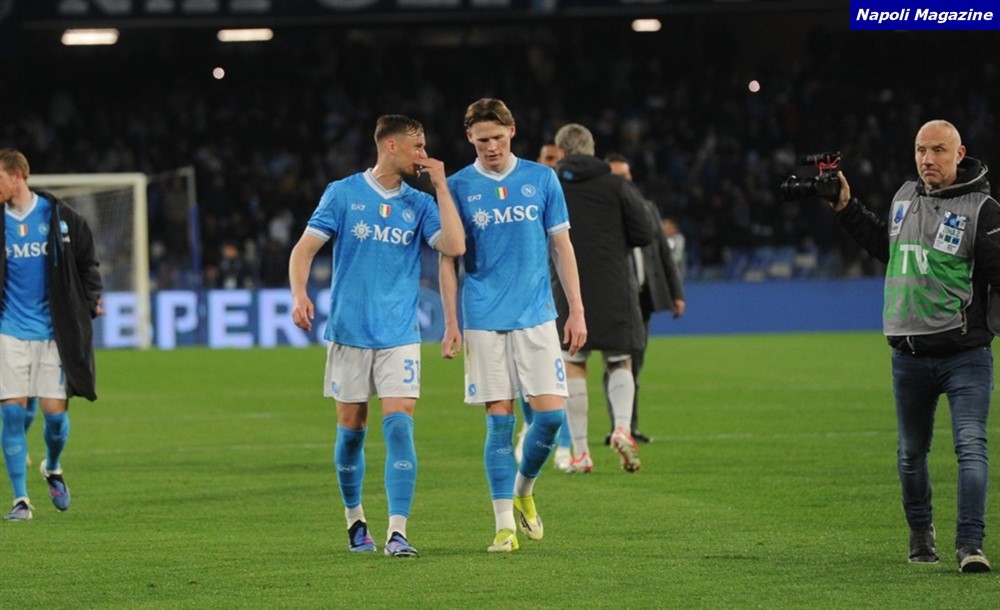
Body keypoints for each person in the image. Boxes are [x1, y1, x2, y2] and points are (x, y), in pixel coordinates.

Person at [828, 120, 999, 573]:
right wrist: (846, 207)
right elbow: (888, 249)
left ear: (959, 154)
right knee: (910, 454)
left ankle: (970, 545)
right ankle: (921, 535)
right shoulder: (904, 196)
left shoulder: (983, 210)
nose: (927, 159)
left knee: (971, 446)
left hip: (965, 355)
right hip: (909, 356)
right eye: (921, 150)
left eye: (938, 150)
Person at [289, 115, 464, 557]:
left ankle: (398, 532)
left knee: (400, 426)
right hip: (349, 333)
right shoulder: (343, 193)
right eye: (417, 147)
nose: (423, 155)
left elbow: (454, 247)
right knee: (352, 432)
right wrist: (299, 294)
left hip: (399, 334)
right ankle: (355, 520)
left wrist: (442, 188)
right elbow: (303, 250)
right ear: (390, 146)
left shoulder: (420, 203)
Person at [440, 98, 586, 552]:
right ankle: (503, 525)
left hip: (537, 315)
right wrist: (451, 321)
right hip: (484, 319)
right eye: (482, 140)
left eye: (498, 138)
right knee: (499, 423)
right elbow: (448, 259)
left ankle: (524, 489)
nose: (491, 147)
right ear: (470, 138)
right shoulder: (457, 186)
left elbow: (562, 246)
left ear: (512, 132)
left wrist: (577, 310)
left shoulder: (542, 179)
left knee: (551, 418)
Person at [1, 148, 103, 521]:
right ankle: (20, 501)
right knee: (12, 415)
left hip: (53, 333)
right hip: (9, 331)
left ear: (17, 176)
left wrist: (89, 302)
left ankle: (53, 467)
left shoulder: (61, 218)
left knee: (55, 419)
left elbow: (87, 263)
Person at [551, 126, 658, 474]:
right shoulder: (616, 184)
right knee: (619, 360)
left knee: (574, 364)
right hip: (614, 286)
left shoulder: (552, 185)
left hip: (568, 289)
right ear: (592, 149)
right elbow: (645, 232)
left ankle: (581, 453)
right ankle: (623, 428)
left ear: (561, 151)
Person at [601, 153, 686, 446]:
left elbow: (663, 253)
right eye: (615, 176)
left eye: (625, 176)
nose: (622, 181)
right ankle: (619, 426)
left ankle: (628, 426)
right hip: (612, 298)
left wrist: (677, 294)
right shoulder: (601, 212)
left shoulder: (646, 208)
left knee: (634, 364)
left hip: (643, 299)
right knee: (616, 361)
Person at [514, 141, 573, 473]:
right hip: (531, 297)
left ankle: (566, 446)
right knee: (525, 376)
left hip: (561, 294)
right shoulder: (528, 191)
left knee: (561, 378)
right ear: (539, 161)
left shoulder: (571, 197)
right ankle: (529, 423)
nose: (554, 165)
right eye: (549, 159)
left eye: (559, 160)